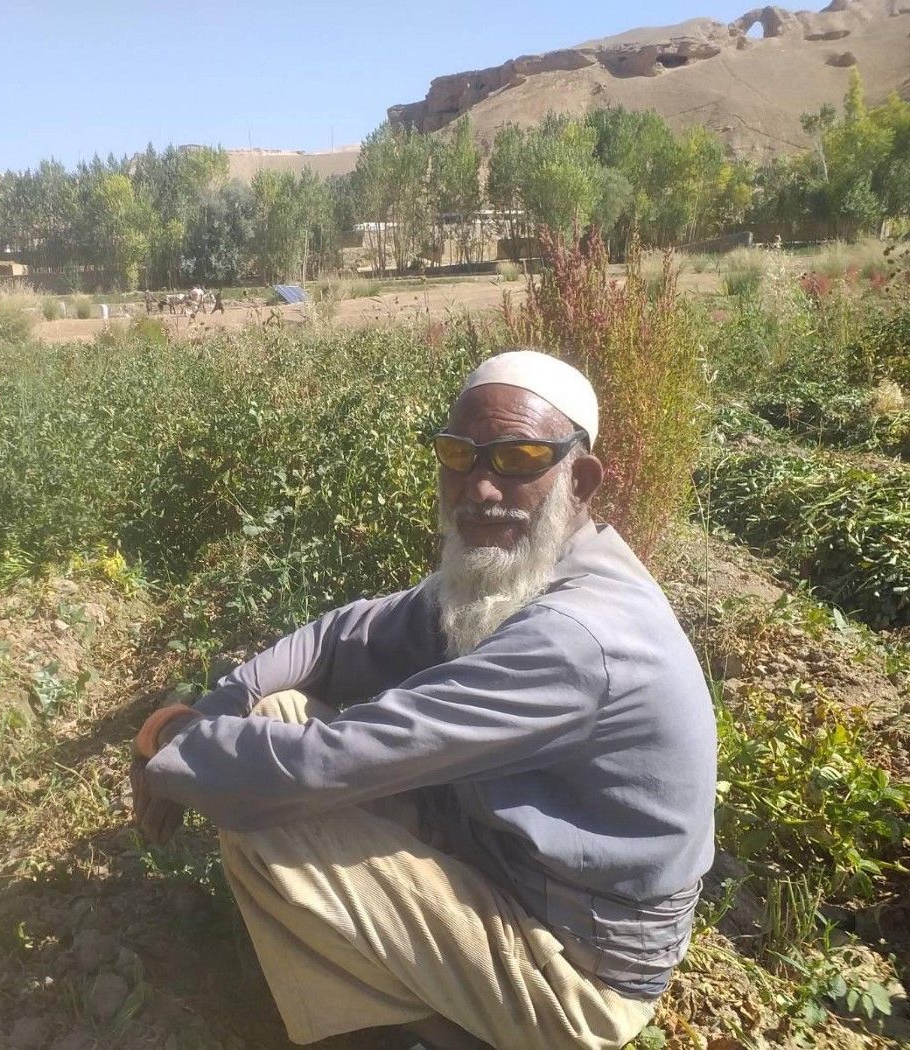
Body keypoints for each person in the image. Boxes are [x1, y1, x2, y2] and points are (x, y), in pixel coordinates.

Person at [130, 349, 716, 1050]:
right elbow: (343, 634)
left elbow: (333, 763)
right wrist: (223, 704)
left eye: (519, 457)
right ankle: (398, 1002)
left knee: (271, 824)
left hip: (580, 971)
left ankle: (410, 1032)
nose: (481, 487)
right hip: (514, 874)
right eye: (459, 455)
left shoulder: (577, 637)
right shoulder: (528, 571)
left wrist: (172, 741)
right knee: (272, 716)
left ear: (580, 478)